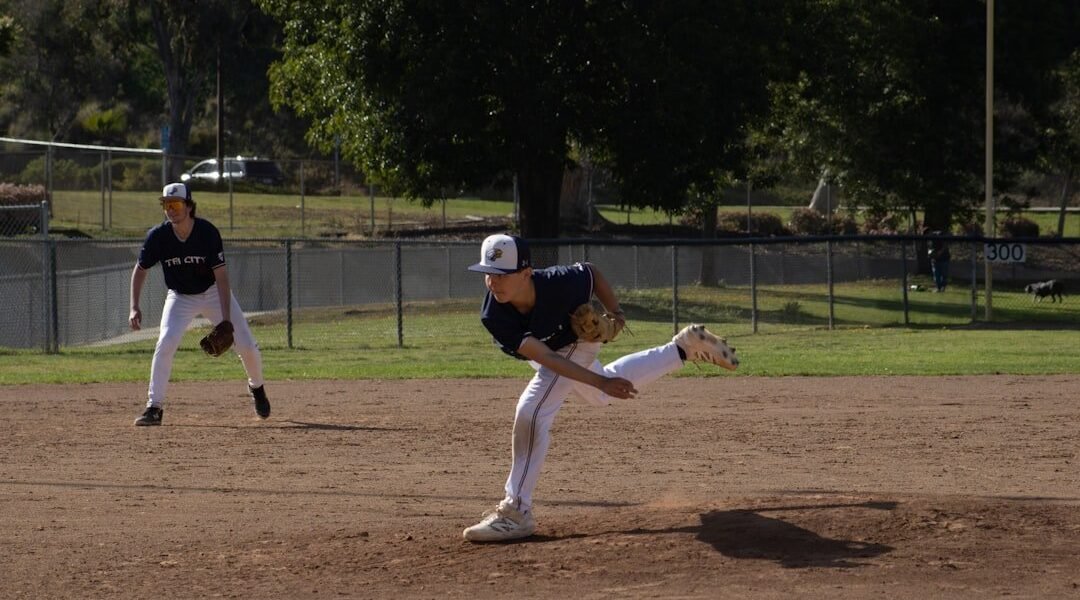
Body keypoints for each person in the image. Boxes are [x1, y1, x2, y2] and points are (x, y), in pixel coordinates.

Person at [462, 234, 739, 542]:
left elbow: (592, 273)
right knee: (600, 394)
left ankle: (516, 511)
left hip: (577, 340)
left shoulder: (558, 283)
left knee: (532, 411)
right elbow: (546, 358)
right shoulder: (494, 314)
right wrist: (600, 381)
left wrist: (616, 313)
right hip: (550, 351)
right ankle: (683, 349)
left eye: (501, 274)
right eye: (488, 273)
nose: (492, 281)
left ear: (526, 273)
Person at [129, 182, 270, 426]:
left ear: (189, 206)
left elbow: (222, 278)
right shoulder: (158, 236)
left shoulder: (207, 233)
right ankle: (154, 407)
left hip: (213, 292)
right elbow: (140, 269)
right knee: (166, 342)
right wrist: (134, 306)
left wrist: (226, 321)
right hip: (180, 296)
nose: (170, 210)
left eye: (175, 204)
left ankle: (256, 387)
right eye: (166, 205)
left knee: (247, 346)